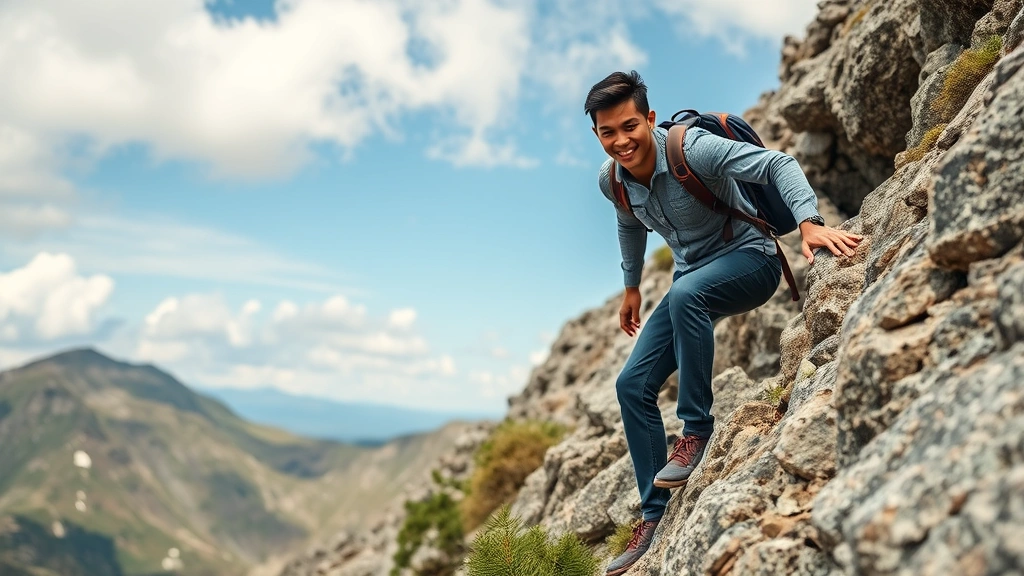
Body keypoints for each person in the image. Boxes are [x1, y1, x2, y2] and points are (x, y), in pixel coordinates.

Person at [586, 71, 862, 575]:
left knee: (687, 292)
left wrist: (809, 221)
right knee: (631, 385)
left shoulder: (694, 148)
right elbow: (628, 222)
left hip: (751, 260)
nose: (621, 141)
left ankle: (696, 430)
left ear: (648, 119)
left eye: (630, 126)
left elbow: (777, 163)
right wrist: (631, 286)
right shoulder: (613, 181)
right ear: (597, 136)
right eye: (608, 133)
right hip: (692, 280)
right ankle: (653, 515)